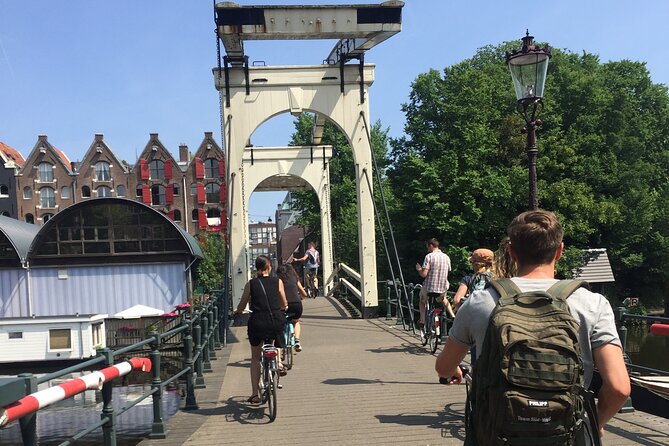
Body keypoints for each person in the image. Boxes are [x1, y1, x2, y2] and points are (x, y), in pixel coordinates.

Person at [435, 210, 630, 440]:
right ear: (559, 251)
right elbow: (619, 388)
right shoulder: (592, 303)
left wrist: (455, 371)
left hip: (496, 435)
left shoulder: (480, 302)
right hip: (566, 434)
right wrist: (594, 422)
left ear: (511, 252)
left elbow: (444, 368)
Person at [234, 255, 289, 405]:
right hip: (275, 320)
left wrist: (238, 311)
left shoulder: (251, 284)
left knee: (255, 358)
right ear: (269, 266)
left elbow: (243, 303)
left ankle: (254, 394)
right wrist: (283, 308)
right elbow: (284, 301)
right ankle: (277, 363)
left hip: (257, 322)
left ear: (256, 268)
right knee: (274, 339)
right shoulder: (277, 281)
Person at [415, 238, 454, 328]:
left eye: (427, 247)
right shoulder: (446, 257)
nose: (427, 249)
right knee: (443, 299)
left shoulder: (429, 256)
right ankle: (452, 314)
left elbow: (424, 274)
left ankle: (422, 320)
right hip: (442, 287)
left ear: (431, 245)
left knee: (422, 301)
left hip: (429, 287)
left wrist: (419, 269)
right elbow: (448, 271)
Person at [277, 263, 308, 351]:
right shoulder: (294, 278)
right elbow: (303, 293)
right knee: (296, 321)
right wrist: (303, 296)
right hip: (296, 304)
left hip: (284, 305)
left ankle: (282, 341)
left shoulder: (277, 280)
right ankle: (297, 340)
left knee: (281, 322)